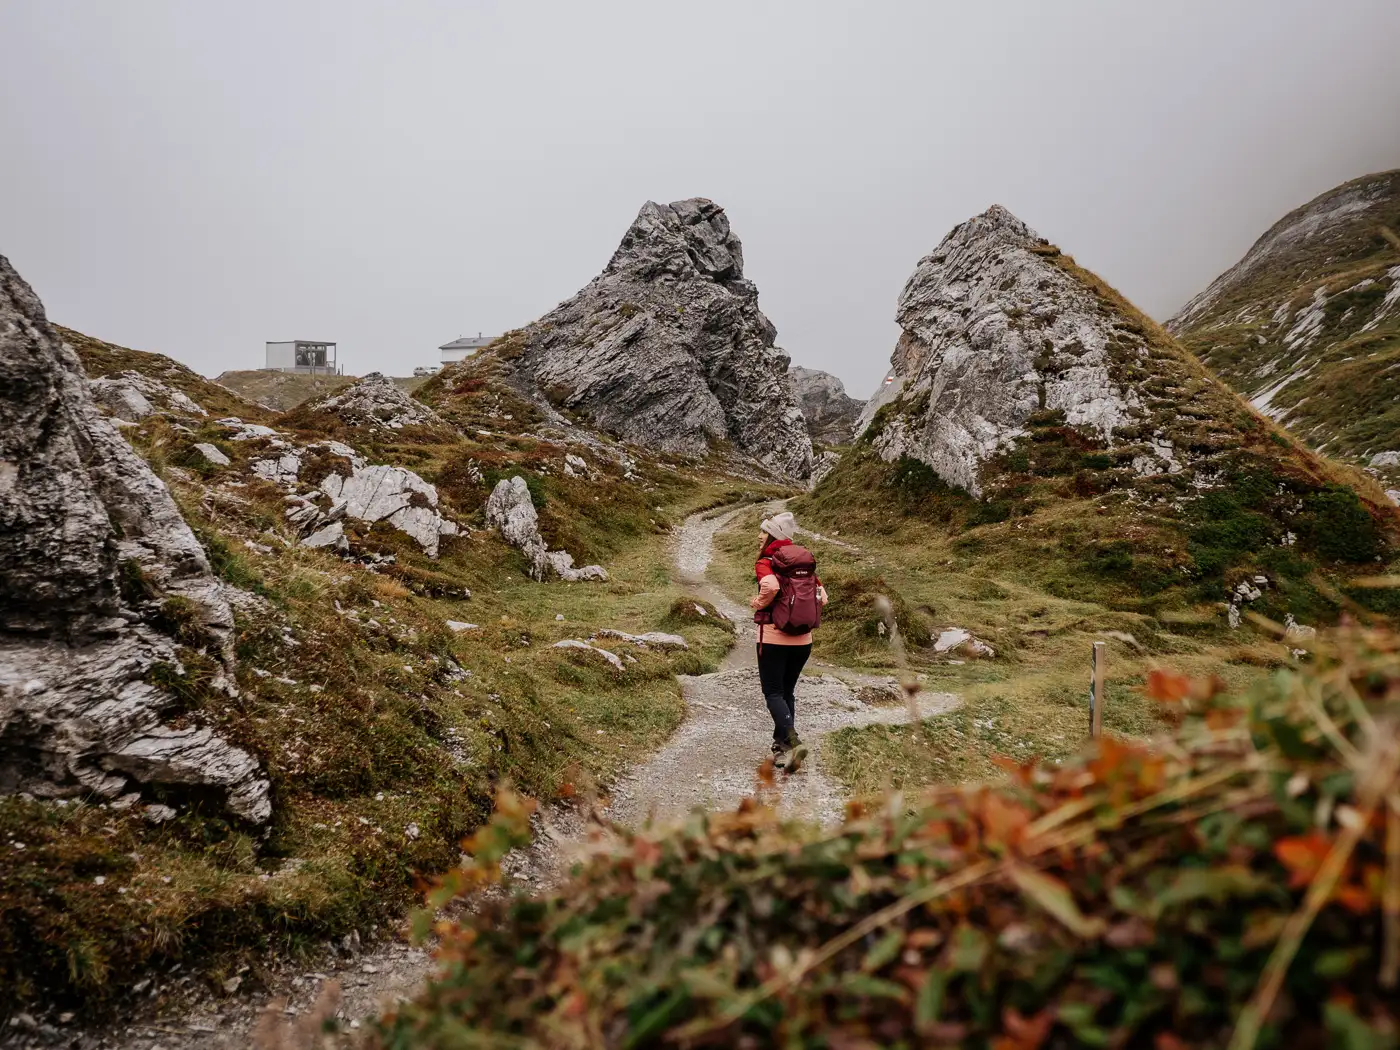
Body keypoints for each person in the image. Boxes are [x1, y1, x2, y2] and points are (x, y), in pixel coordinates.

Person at [749, 511, 828, 771]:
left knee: (772, 692)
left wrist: (758, 603)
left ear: (773, 535)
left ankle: (793, 741)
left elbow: (770, 587)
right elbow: (822, 597)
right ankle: (781, 747)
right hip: (803, 641)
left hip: (773, 638)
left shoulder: (768, 561)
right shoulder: (803, 562)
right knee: (787, 692)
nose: (759, 536)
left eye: (763, 531)